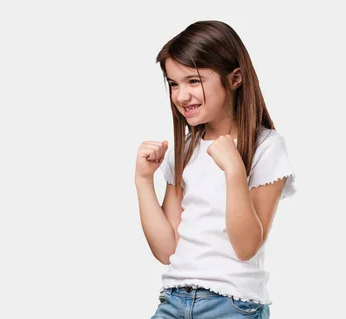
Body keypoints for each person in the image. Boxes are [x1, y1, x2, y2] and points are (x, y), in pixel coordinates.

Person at [134, 20, 296, 318]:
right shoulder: (184, 149)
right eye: (174, 83)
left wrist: (235, 170)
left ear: (235, 78)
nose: (181, 96)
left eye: (193, 81)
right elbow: (166, 250)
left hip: (232, 305)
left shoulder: (266, 147)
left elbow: (247, 246)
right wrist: (144, 181)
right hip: (173, 301)